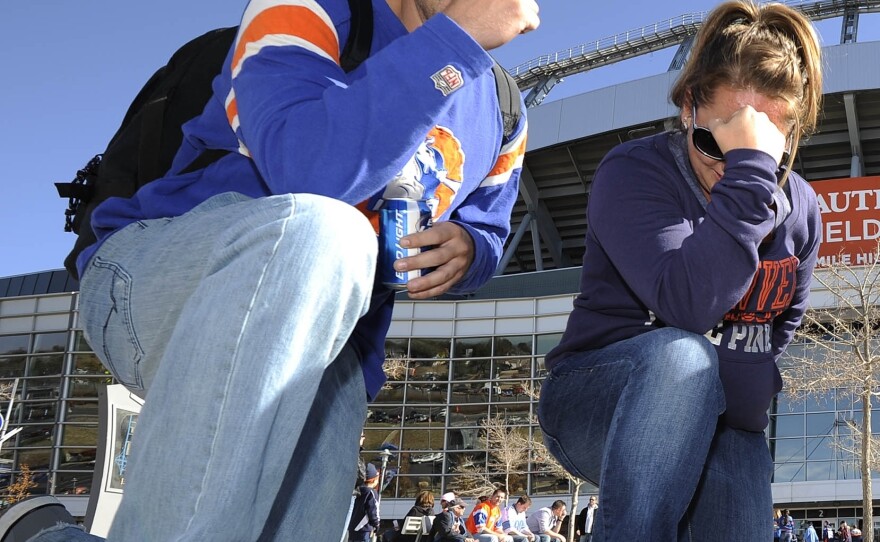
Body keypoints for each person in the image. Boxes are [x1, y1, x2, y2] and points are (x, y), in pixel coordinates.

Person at [21, 0, 539, 541]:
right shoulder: (309, 7)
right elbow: (309, 172)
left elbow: (490, 230)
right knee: (330, 230)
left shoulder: (504, 109)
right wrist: (458, 42)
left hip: (334, 347)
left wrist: (470, 251)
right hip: (159, 277)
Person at [537, 0, 823, 537]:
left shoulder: (804, 211)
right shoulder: (635, 172)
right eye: (719, 141)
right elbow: (686, 306)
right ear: (690, 107)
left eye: (763, 150)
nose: (731, 166)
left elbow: (777, 331)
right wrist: (753, 178)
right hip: (598, 399)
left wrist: (745, 390)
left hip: (723, 420)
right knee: (682, 358)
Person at [348, 463, 382, 542]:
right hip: (364, 528)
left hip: (352, 527)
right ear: (374, 479)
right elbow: (373, 510)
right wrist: (376, 524)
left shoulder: (355, 491)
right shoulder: (371, 492)